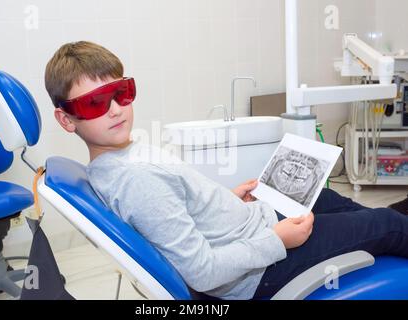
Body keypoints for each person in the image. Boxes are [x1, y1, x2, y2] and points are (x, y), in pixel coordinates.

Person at [44, 41, 408, 300]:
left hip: (251, 223)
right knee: (385, 226)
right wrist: (278, 240)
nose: (115, 109)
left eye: (121, 92)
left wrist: (226, 199)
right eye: (94, 103)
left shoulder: (119, 158)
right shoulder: (135, 178)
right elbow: (203, 272)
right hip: (258, 273)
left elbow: (172, 210)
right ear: (66, 119)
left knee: (333, 199)